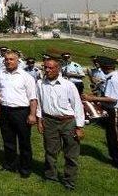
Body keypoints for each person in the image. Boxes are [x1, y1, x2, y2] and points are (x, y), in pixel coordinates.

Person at [36, 57, 85, 191]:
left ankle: (69, 181)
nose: (47, 70)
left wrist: (79, 127)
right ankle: (50, 176)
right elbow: (39, 103)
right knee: (50, 151)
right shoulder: (40, 84)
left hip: (68, 122)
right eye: (45, 67)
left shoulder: (68, 85)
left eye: (51, 68)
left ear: (58, 69)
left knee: (71, 153)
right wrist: (39, 120)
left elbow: (77, 106)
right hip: (49, 121)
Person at [0, 50, 38, 178]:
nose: (8, 61)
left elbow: (33, 98)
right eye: (6, 59)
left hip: (21, 112)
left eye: (11, 59)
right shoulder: (1, 73)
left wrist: (32, 114)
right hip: (5, 110)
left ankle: (25, 169)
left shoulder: (26, 77)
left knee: (24, 142)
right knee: (8, 140)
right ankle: (10, 164)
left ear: (18, 61)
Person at [83, 57, 118, 170]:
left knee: (117, 137)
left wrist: (91, 97)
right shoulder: (116, 76)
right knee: (111, 136)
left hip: (115, 110)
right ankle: (116, 159)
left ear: (105, 67)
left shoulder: (113, 79)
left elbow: (112, 99)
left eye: (101, 65)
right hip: (114, 109)